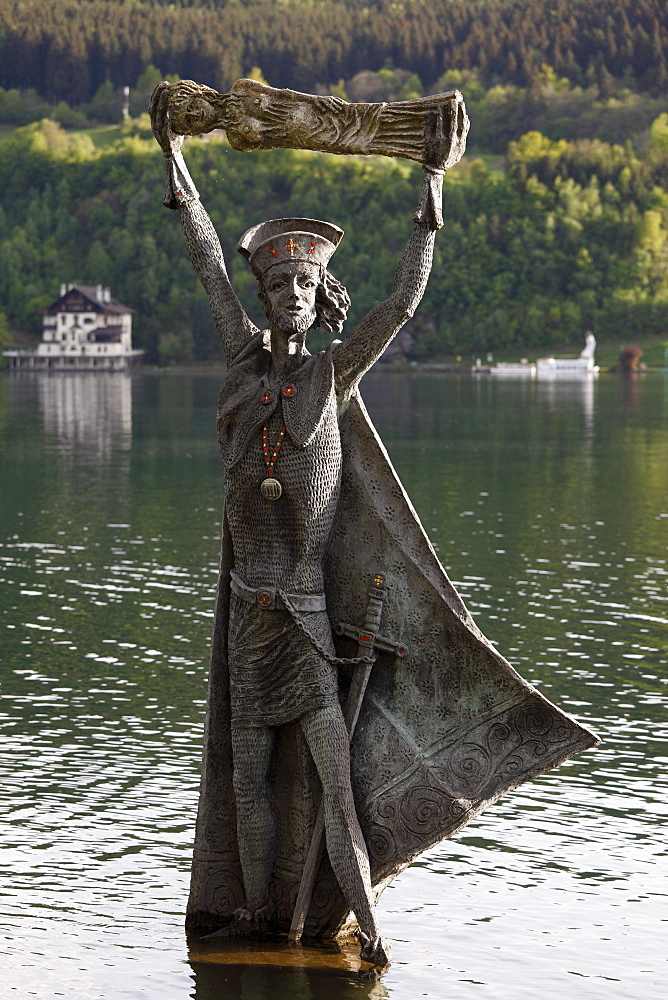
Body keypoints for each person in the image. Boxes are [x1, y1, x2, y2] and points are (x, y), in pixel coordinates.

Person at [150, 81, 449, 967]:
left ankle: (365, 927)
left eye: (305, 282)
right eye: (278, 281)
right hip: (249, 619)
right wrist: (177, 164)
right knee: (248, 782)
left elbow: (398, 307)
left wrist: (431, 189)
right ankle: (255, 921)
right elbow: (206, 257)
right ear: (265, 290)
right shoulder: (243, 368)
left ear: (323, 298)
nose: (289, 293)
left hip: (309, 622)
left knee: (333, 784)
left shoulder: (330, 379)